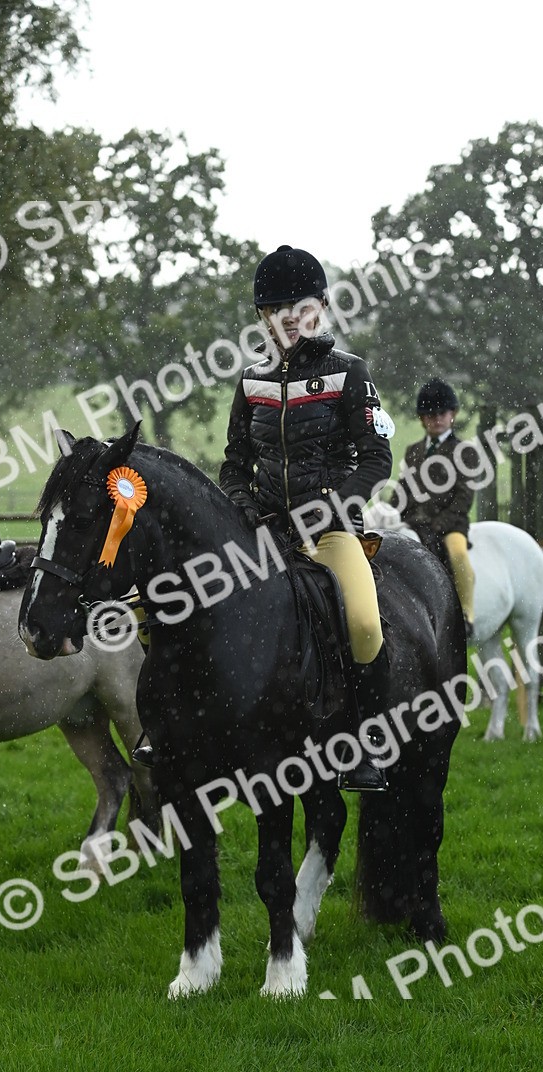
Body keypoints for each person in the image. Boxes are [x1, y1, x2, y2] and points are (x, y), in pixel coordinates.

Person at [218, 244, 395, 791]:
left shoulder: (349, 373)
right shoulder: (250, 382)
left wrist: (331, 511)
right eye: (275, 309)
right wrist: (248, 511)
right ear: (262, 317)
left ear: (320, 308)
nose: (287, 318)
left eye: (299, 307)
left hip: (332, 531)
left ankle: (366, 741)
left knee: (365, 625)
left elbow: (376, 458)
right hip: (266, 532)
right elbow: (233, 465)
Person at [390, 377, 476, 638]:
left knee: (457, 552)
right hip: (416, 522)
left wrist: (439, 523)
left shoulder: (464, 451)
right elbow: (404, 489)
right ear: (421, 418)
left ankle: (467, 614)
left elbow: (464, 497)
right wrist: (391, 511)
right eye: (429, 414)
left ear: (453, 415)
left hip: (450, 523)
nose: (436, 419)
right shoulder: (414, 451)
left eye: (441, 413)